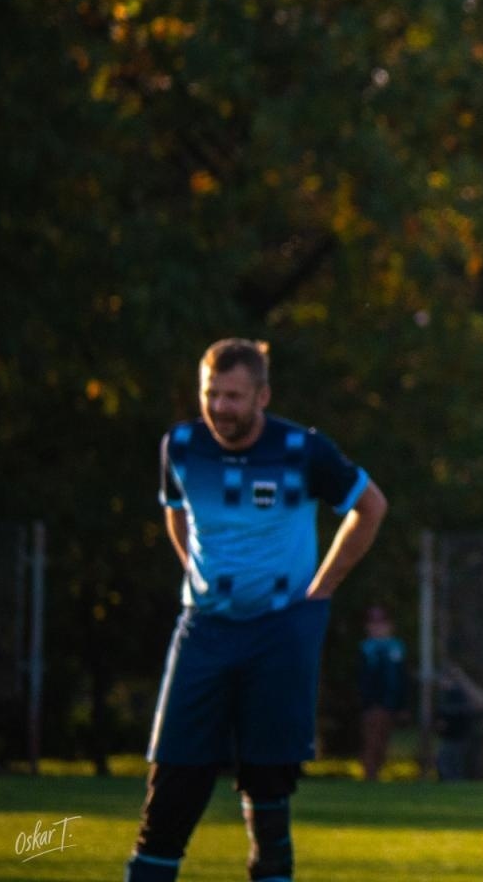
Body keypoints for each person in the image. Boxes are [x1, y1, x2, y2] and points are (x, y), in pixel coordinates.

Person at [125, 339, 388, 882]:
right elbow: (176, 515)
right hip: (202, 631)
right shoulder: (179, 447)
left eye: (234, 396)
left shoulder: (302, 450)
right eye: (211, 394)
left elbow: (371, 507)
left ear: (262, 396)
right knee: (174, 780)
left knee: (269, 786)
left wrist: (322, 587)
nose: (221, 406)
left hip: (279, 634)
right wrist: (198, 575)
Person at [357, 605, 407, 781]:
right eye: (373, 623)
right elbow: (364, 680)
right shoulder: (367, 649)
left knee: (383, 740)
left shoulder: (396, 648)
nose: (377, 627)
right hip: (373, 704)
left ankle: (375, 773)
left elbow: (400, 678)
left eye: (381, 623)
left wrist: (401, 704)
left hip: (390, 703)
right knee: (372, 739)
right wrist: (369, 701)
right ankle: (370, 774)